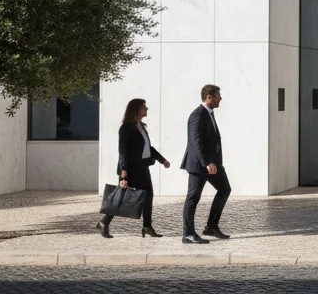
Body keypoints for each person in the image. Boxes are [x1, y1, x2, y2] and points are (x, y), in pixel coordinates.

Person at [97, 98, 170, 239]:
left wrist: (163, 160)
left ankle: (147, 226)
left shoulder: (141, 127)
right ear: (136, 110)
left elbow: (149, 148)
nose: (146, 109)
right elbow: (122, 151)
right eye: (144, 107)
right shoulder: (126, 128)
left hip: (142, 167)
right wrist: (124, 174)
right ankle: (104, 222)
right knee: (121, 198)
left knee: (148, 196)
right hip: (130, 170)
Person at [181, 84, 231, 244]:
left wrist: (215, 161)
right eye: (218, 96)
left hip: (213, 163)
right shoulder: (197, 115)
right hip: (199, 164)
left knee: (224, 189)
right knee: (193, 198)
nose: (220, 98)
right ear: (209, 97)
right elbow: (195, 141)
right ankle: (188, 234)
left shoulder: (209, 114)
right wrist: (206, 162)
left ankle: (211, 226)